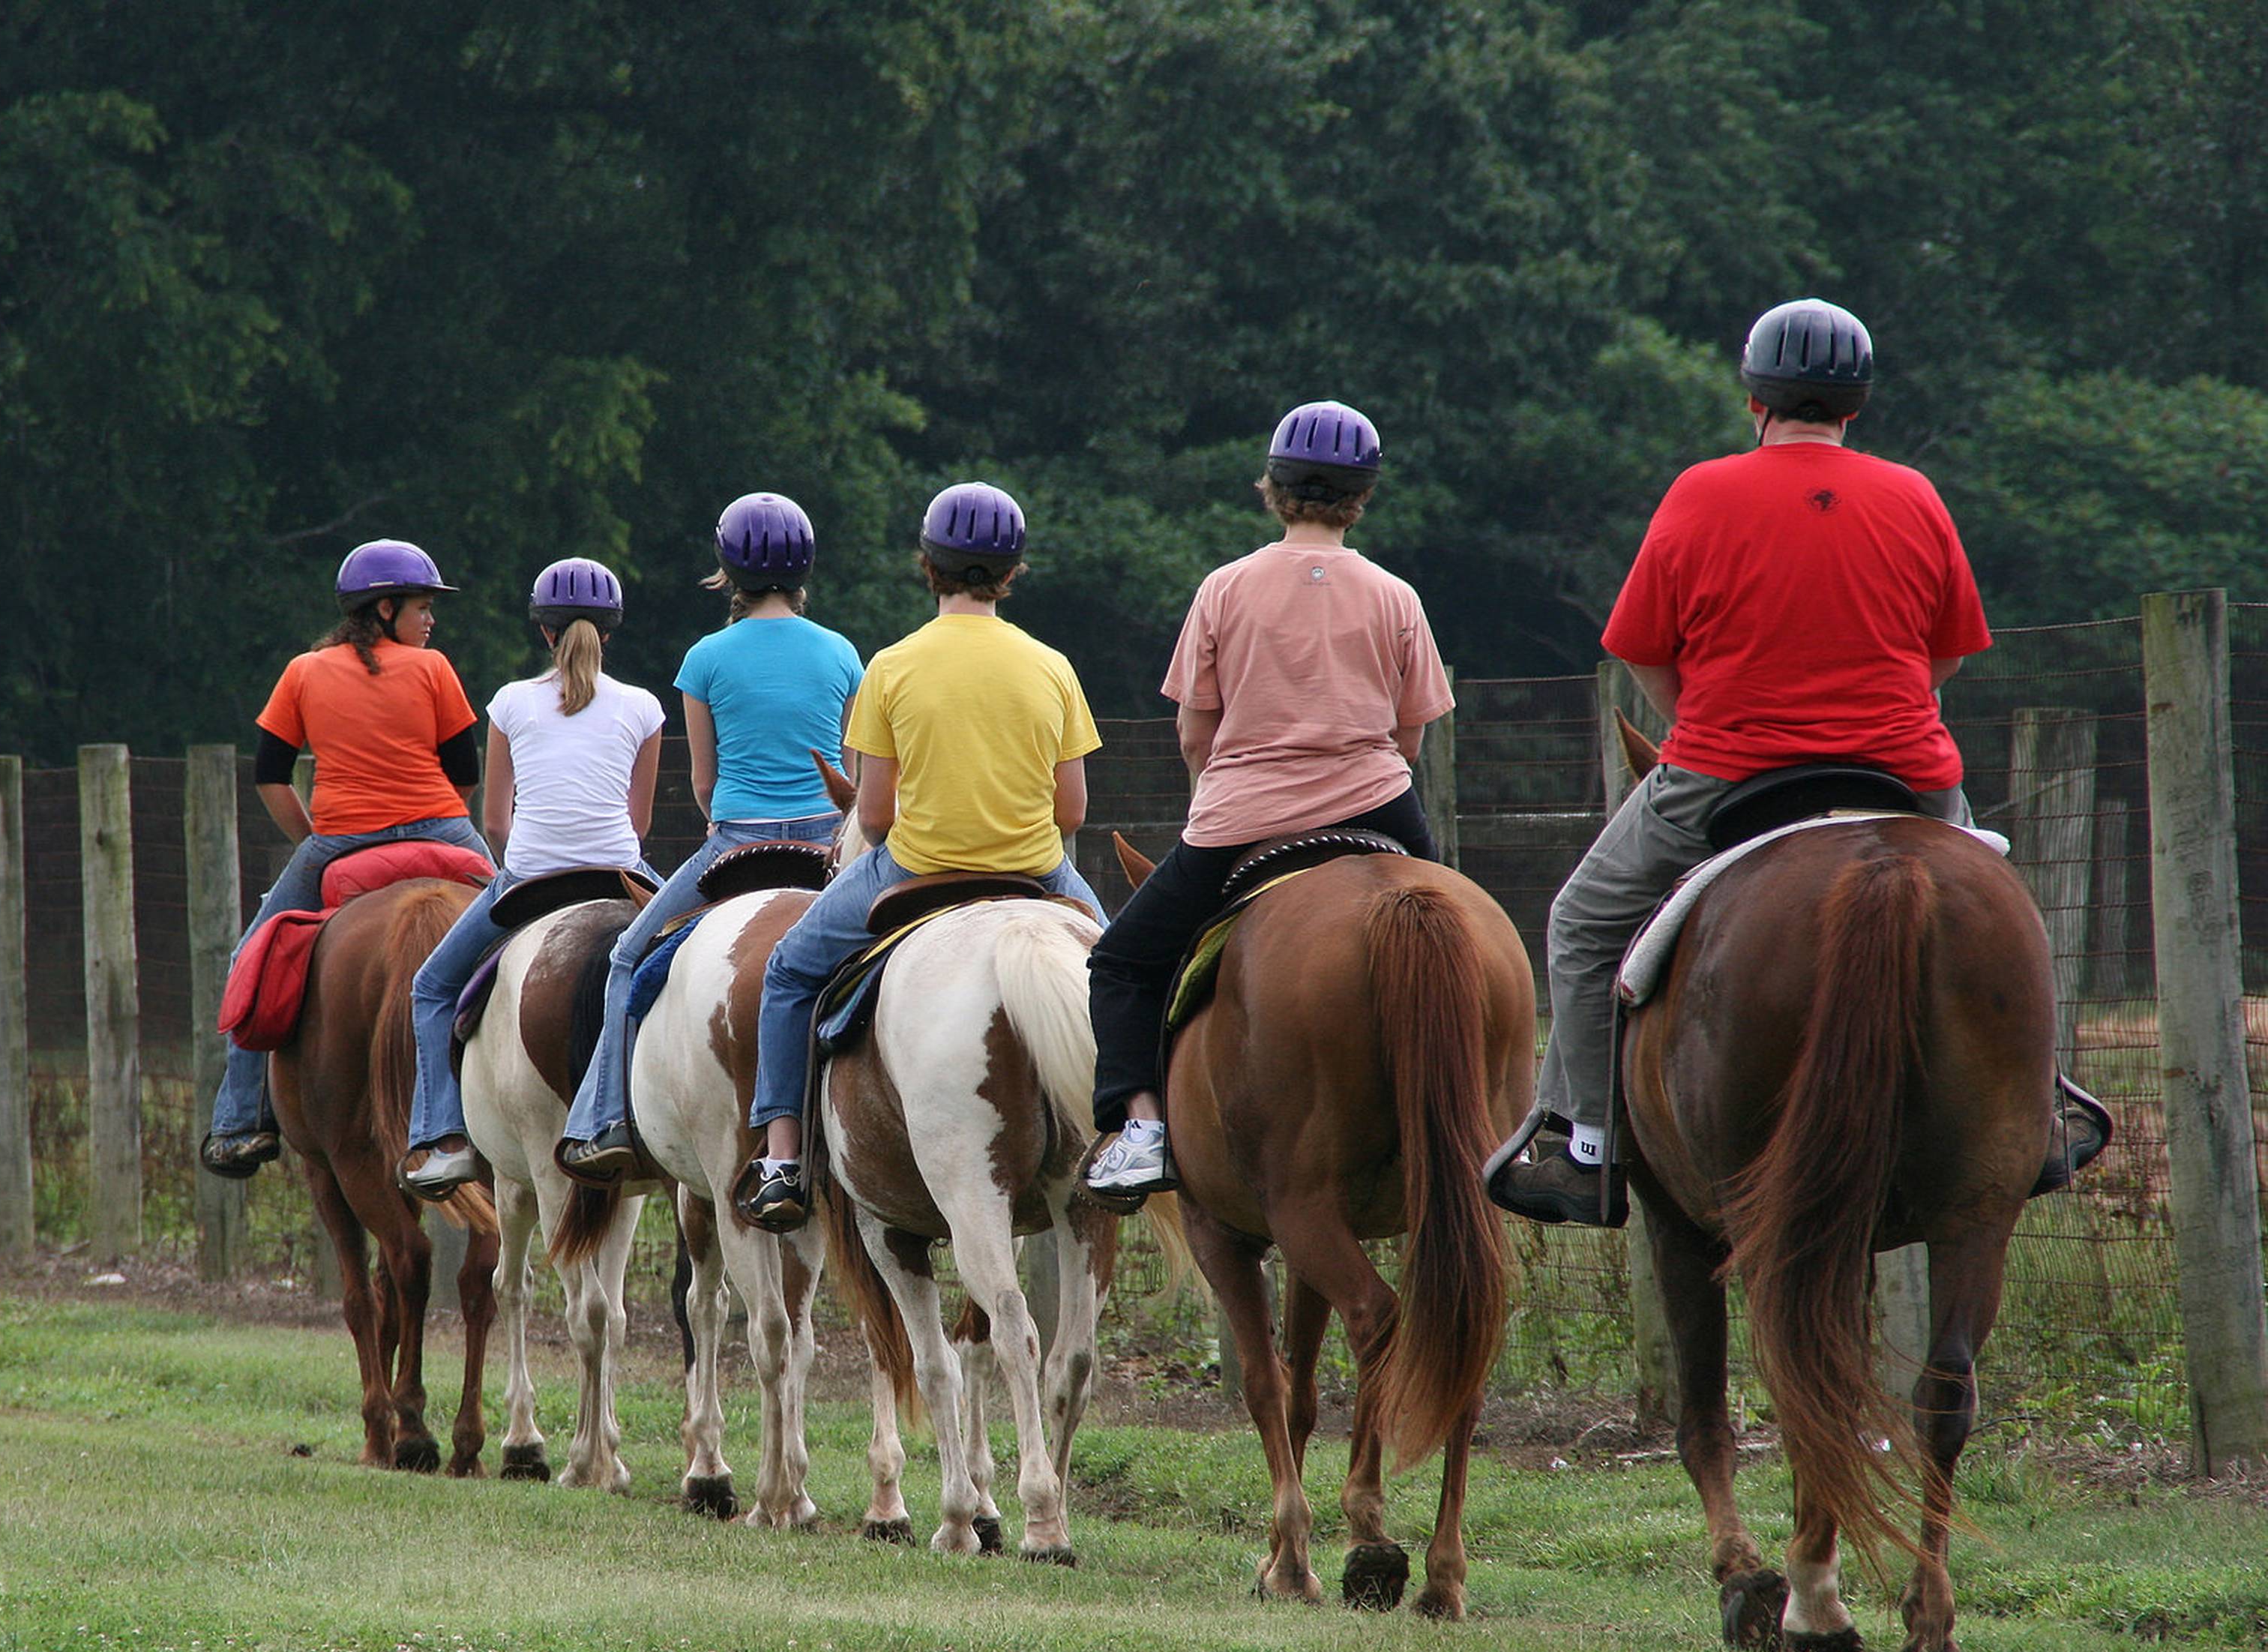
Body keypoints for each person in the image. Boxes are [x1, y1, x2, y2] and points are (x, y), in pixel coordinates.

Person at [1488, 296, 2105, 1227]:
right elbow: (1948, 654)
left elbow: (1643, 650)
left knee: (1581, 921)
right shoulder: (1915, 495)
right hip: (1904, 770)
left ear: (1754, 399)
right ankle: (2043, 1107)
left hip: (1729, 769)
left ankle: (1587, 1146)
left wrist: (1700, 723)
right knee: (1999, 909)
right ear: (1855, 406)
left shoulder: (1699, 493)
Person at [1081, 401, 1452, 1207]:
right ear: (1361, 497)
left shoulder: (1224, 588)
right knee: (1455, 938)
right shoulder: (1396, 596)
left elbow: (1195, 735)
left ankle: (1142, 1134)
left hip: (1245, 816)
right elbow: (1411, 740)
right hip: (1378, 808)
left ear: (1273, 489)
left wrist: (1219, 790)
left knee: (1122, 962)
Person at [734, 481, 1105, 1231]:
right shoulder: (1053, 666)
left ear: (927, 566)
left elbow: (872, 817)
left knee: (790, 971)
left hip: (916, 867)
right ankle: (1144, 1132)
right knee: (1126, 977)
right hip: (1035, 870)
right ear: (1012, 572)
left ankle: (783, 1159)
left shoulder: (893, 665)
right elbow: (1072, 812)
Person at [555, 493, 862, 1181]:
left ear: (727, 572)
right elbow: (848, 772)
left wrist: (729, 820)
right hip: (826, 844)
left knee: (628, 957)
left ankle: (604, 1119)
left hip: (737, 845)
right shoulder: (843, 653)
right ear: (806, 569)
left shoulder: (704, 658)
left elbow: (704, 780)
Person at [202, 540, 487, 1180]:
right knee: (524, 927)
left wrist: (313, 837)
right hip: (444, 827)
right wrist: (432, 818)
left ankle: (239, 1123)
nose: (430, 620)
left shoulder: (303, 672)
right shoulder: (434, 668)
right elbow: (464, 772)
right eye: (422, 607)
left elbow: (271, 775)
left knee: (252, 957)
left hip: (342, 839)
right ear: (385, 608)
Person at [403, 558, 664, 1198]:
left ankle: (444, 1138)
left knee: (431, 987)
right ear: (610, 632)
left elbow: (495, 821)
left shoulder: (510, 702)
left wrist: (522, 866)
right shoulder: (644, 706)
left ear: (545, 632)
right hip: (618, 871)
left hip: (529, 876)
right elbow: (638, 823)